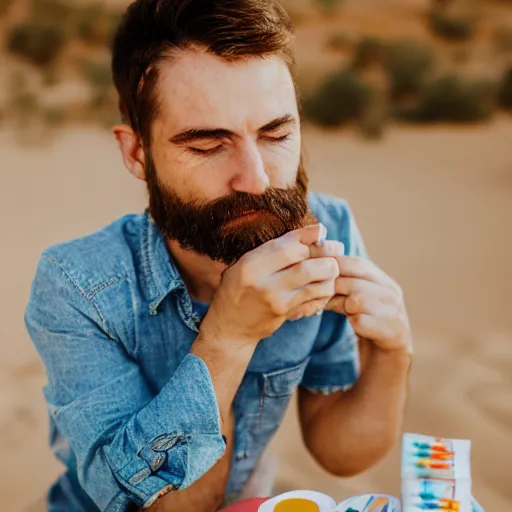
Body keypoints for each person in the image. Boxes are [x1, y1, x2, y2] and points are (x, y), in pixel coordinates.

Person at [24, 1, 413, 510]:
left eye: (276, 133)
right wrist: (229, 338)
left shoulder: (330, 227)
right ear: (137, 154)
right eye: (207, 145)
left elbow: (340, 452)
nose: (255, 179)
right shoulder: (78, 287)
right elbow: (166, 506)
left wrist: (393, 350)